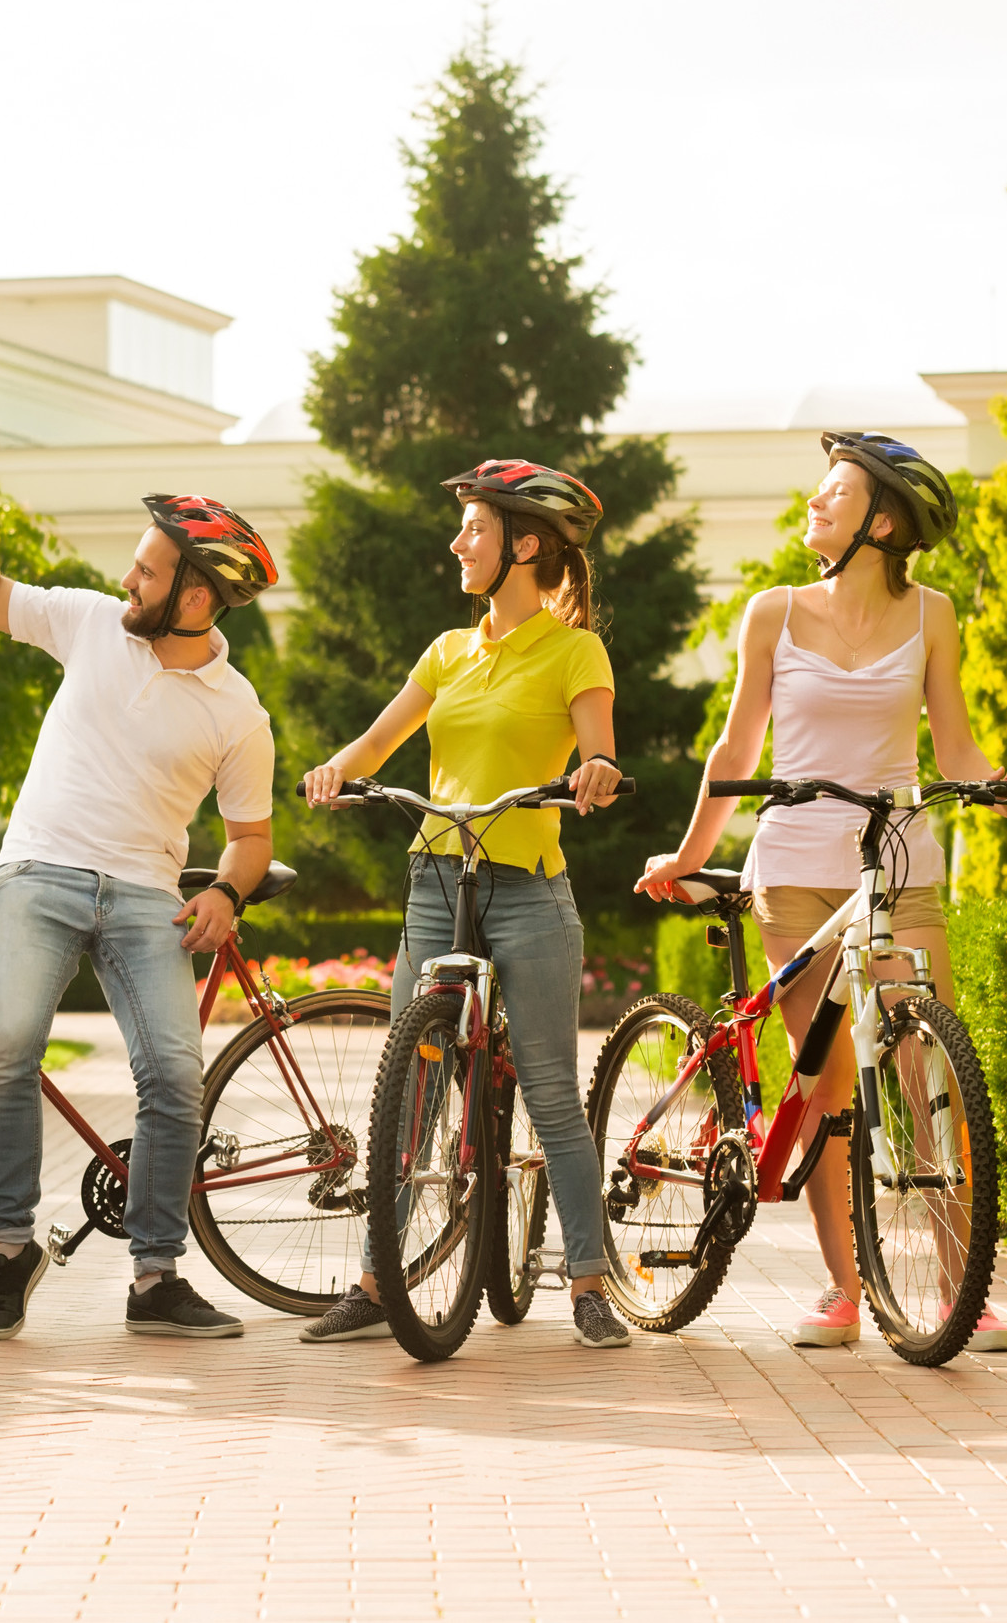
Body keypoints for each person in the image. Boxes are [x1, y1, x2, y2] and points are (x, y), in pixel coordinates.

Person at [636, 431, 1007, 1352]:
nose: (814, 506)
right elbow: (736, 753)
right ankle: (842, 1290)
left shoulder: (933, 615)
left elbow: (958, 748)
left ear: (884, 520)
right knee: (822, 1086)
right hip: (794, 869)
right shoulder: (772, 613)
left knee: (929, 1073)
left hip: (901, 867)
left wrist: (1003, 788)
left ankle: (961, 1291)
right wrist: (687, 852)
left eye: (834, 494)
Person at [0, 440, 281, 1341]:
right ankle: (7, 1255)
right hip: (38, 871)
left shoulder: (239, 712)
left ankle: (155, 1277)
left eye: (147, 569)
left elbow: (250, 840)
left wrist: (227, 895)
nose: (127, 579)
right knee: (10, 1043)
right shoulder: (89, 622)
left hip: (143, 896)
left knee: (174, 1075)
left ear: (195, 596)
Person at [297, 458, 631, 1350]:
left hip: (527, 887)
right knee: (411, 1092)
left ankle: (590, 1283)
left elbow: (596, 745)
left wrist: (594, 770)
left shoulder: (573, 649)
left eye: (475, 530)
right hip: (437, 881)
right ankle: (379, 1282)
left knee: (554, 1094)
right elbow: (379, 740)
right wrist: (339, 770)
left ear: (524, 545)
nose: (457, 542)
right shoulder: (449, 650)